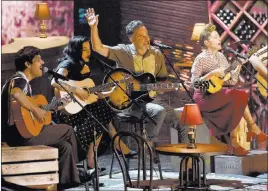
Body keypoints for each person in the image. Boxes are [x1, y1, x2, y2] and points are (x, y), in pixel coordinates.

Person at [85, 8, 189, 152]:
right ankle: (147, 145)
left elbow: (161, 82)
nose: (146, 38)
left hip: (153, 100)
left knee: (184, 123)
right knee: (158, 111)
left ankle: (187, 169)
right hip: (130, 103)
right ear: (131, 38)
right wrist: (93, 27)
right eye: (141, 36)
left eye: (146, 35)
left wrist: (171, 86)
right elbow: (98, 48)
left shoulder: (157, 53)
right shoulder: (123, 51)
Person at [1, 46, 84, 189]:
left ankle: (65, 182)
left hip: (20, 134)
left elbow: (24, 112)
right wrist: (36, 111)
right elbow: (16, 94)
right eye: (39, 60)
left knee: (65, 146)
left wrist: (55, 106)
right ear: (28, 64)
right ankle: (79, 170)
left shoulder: (23, 83)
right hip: (19, 137)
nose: (43, 63)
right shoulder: (19, 79)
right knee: (68, 130)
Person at [51, 36, 136, 169]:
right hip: (65, 110)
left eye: (89, 49)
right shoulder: (66, 65)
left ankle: (94, 157)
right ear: (76, 51)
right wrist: (76, 90)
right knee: (102, 111)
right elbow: (55, 82)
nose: (88, 52)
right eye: (84, 49)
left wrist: (110, 92)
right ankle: (113, 145)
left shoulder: (85, 68)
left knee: (101, 109)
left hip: (82, 108)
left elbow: (90, 94)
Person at [190, 24, 267, 155]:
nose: (219, 39)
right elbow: (194, 84)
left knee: (240, 96)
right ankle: (251, 131)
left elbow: (231, 81)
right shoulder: (200, 58)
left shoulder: (221, 57)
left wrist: (237, 68)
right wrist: (210, 74)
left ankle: (241, 140)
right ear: (207, 42)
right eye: (215, 37)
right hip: (203, 97)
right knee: (237, 95)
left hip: (218, 94)